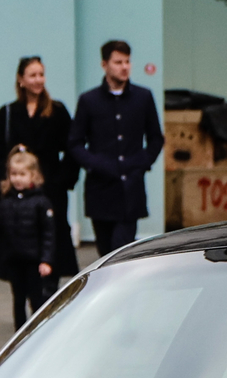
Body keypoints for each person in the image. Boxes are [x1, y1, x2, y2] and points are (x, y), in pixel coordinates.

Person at [67, 39, 163, 258]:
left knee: (122, 252)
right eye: (118, 62)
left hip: (131, 187)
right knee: (105, 252)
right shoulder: (89, 100)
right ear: (105, 65)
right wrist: (95, 164)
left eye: (127, 61)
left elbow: (156, 139)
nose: (124, 67)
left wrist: (141, 163)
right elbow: (74, 142)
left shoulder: (143, 97)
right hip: (101, 189)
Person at [0, 55, 77, 275]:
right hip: (17, 193)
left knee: (51, 245)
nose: (38, 80)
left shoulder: (57, 111)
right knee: (17, 253)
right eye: (33, 75)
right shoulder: (7, 113)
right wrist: (4, 182)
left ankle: (48, 294)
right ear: (21, 80)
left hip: (50, 191)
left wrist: (61, 180)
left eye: (41, 75)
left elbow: (73, 148)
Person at [0, 145, 59, 329]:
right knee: (18, 299)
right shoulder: (6, 201)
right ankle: (19, 333)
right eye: (13, 174)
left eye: (22, 174)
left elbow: (49, 234)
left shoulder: (41, 202)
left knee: (37, 298)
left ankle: (39, 330)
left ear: (33, 175)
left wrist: (47, 260)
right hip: (14, 260)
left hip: (34, 261)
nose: (17, 179)